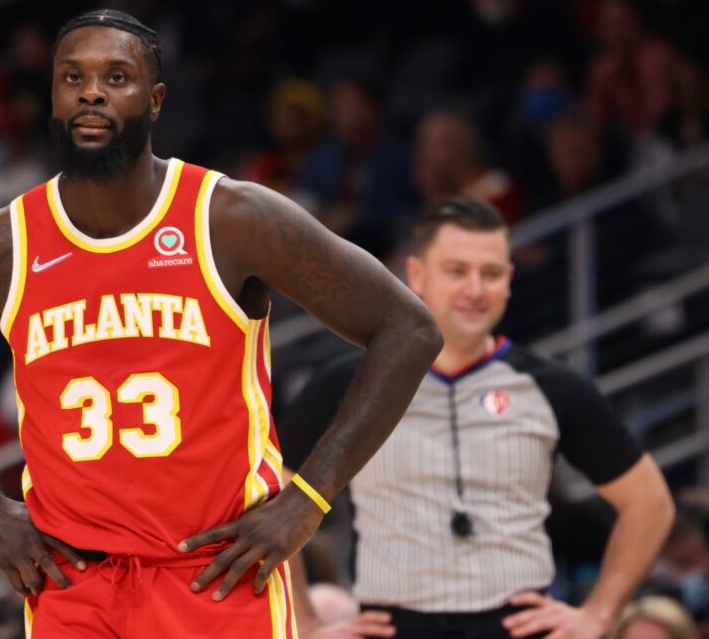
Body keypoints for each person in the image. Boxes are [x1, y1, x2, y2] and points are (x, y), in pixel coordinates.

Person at [0, 9, 442, 638]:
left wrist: (309, 499)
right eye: (72, 77)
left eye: (116, 76)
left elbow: (408, 329)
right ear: (54, 96)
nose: (91, 92)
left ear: (156, 99)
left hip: (217, 577)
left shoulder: (230, 219)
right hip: (74, 588)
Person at [280, 197, 675, 639]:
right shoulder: (349, 383)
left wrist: (597, 615)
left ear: (509, 280)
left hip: (516, 624)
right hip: (393, 626)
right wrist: (305, 622)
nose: (475, 289)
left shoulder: (551, 386)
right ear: (417, 275)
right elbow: (272, 489)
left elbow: (649, 502)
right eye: (457, 271)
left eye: (490, 273)